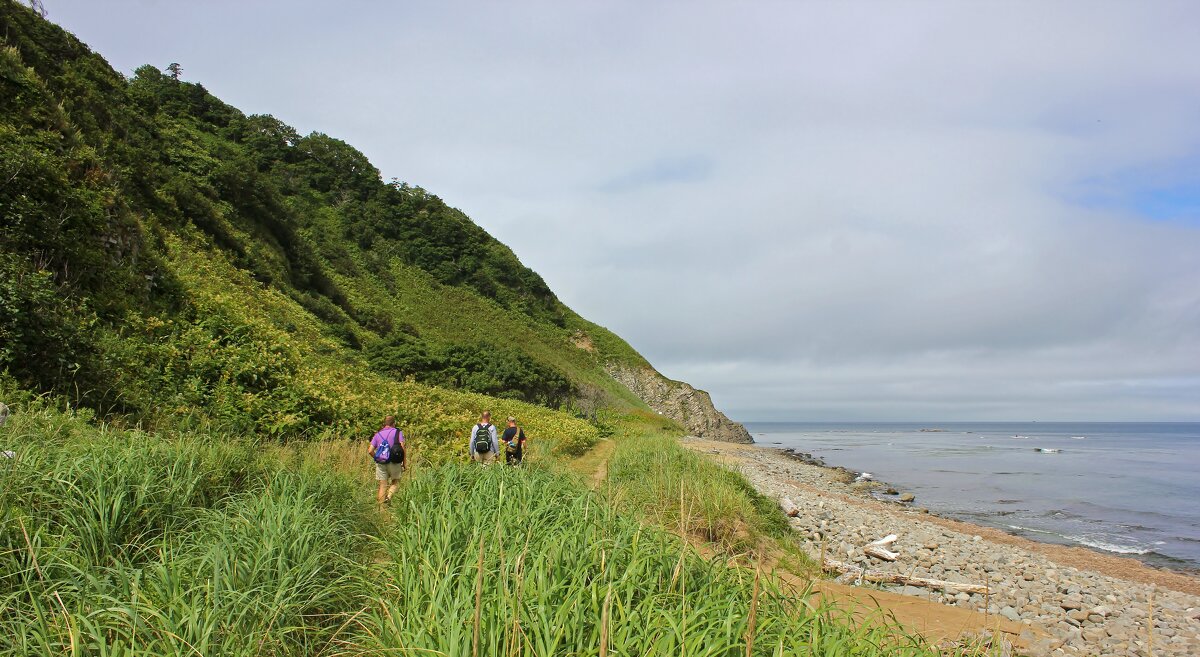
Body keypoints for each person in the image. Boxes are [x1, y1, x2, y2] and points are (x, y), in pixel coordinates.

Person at [369, 416, 405, 503]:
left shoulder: (377, 434)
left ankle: (381, 510)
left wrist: (377, 458)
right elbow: (403, 447)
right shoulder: (397, 432)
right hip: (394, 462)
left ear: (384, 424)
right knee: (395, 482)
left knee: (382, 485)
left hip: (381, 462)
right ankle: (388, 497)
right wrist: (404, 462)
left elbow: (370, 450)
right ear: (394, 423)